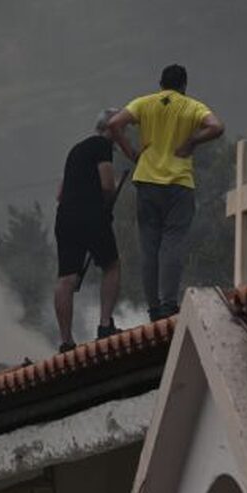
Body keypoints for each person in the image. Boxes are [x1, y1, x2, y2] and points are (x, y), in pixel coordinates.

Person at [108, 64, 224, 321]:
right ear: (184, 86)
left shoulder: (144, 103)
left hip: (146, 182)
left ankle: (153, 308)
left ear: (160, 84)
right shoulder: (192, 106)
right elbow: (216, 127)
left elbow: (114, 123)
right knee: (173, 243)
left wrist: (130, 151)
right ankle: (169, 304)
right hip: (179, 184)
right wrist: (192, 141)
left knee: (149, 247)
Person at [53, 108, 136, 352]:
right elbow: (107, 185)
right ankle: (105, 325)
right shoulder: (102, 146)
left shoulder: (76, 149)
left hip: (65, 217)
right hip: (90, 215)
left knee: (66, 278)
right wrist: (105, 206)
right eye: (122, 129)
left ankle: (66, 341)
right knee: (111, 265)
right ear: (112, 128)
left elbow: (60, 193)